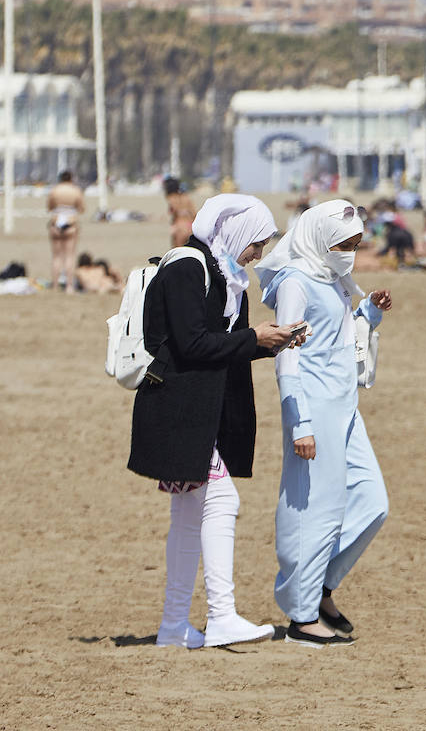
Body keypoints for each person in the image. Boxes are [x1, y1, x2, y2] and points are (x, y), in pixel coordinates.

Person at [129, 193, 301, 649]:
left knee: (188, 517)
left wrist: (271, 344)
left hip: (199, 413)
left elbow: (221, 346)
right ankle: (222, 615)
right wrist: (252, 337)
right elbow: (190, 345)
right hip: (178, 411)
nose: (257, 254)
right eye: (256, 244)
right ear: (236, 231)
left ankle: (172, 627)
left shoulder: (228, 274)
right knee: (222, 501)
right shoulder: (189, 266)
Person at [258, 200, 393, 648]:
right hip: (313, 411)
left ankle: (322, 588)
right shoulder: (296, 282)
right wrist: (300, 424)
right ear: (318, 238)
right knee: (314, 511)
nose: (350, 253)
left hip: (346, 409)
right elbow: (287, 355)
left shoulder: (332, 276)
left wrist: (368, 312)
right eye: (344, 244)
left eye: (356, 245)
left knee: (373, 502)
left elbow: (336, 335)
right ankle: (301, 617)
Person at [47, 170, 84, 294]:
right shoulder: (75, 191)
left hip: (56, 221)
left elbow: (49, 207)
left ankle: (55, 285)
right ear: (71, 179)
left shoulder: (54, 190)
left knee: (56, 256)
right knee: (70, 255)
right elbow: (81, 208)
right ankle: (69, 285)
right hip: (70, 222)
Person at [165, 177, 196, 247]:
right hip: (190, 226)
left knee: (177, 251)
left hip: (179, 226)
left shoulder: (171, 198)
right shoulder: (186, 197)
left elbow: (174, 212)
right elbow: (194, 213)